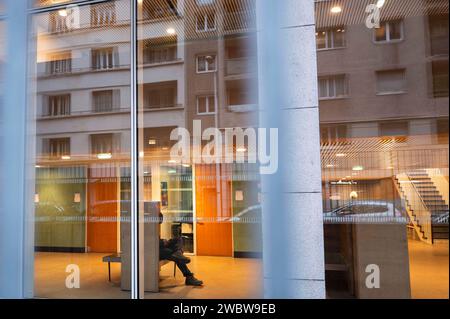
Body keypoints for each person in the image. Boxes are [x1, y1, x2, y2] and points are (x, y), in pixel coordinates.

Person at [159, 213, 203, 286]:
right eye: (160, 219)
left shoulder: (154, 227)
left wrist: (164, 241)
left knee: (178, 239)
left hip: (161, 247)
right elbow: (149, 243)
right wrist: (162, 242)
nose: (161, 221)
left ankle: (178, 253)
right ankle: (189, 277)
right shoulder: (148, 227)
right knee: (175, 255)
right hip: (156, 251)